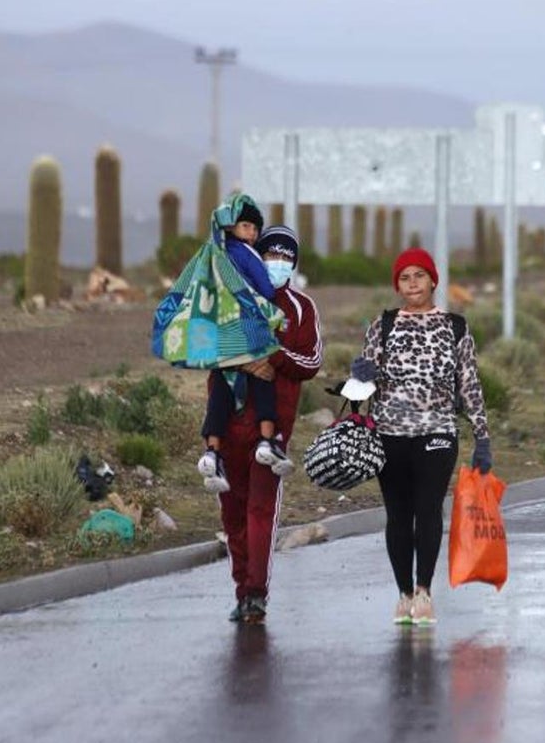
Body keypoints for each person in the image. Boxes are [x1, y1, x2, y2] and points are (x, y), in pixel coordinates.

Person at [350, 247, 492, 625]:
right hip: (389, 434)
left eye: (419, 276)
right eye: (404, 278)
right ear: (397, 286)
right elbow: (363, 384)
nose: (412, 283)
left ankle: (425, 591)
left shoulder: (456, 327)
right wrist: (359, 377)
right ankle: (403, 593)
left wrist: (483, 438)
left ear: (433, 280)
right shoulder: (383, 325)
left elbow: (470, 384)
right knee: (398, 514)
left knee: (428, 509)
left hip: (438, 431)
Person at [212, 224, 323, 623]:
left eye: (286, 257)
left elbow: (310, 362)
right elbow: (206, 346)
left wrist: (274, 358)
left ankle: (255, 593)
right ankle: (241, 589)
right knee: (232, 512)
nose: (278, 263)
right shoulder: (233, 300)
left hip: (270, 432)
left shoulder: (300, 308)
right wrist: (242, 361)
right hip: (227, 424)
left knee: (260, 510)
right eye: (271, 255)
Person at [197, 195, 294, 494]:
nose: (252, 234)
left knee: (223, 389)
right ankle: (268, 442)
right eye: (246, 225)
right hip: (249, 326)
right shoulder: (248, 254)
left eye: (255, 228)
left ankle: (212, 451)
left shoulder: (213, 254)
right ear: (232, 226)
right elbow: (264, 288)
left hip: (222, 331)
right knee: (263, 377)